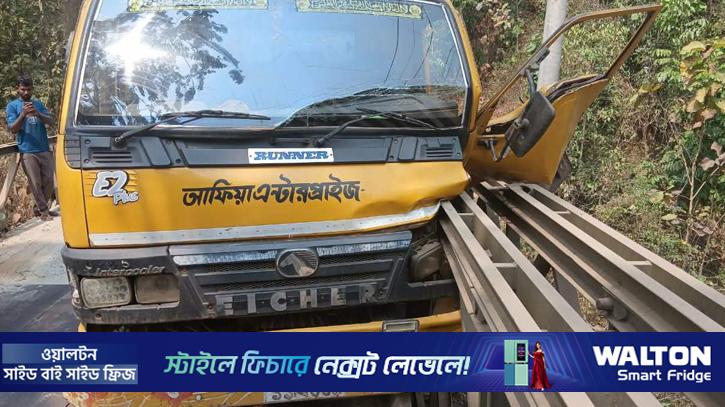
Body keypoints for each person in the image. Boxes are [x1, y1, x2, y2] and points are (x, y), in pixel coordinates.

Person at [6, 76, 56, 221]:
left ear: (32, 89)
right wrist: (23, 114)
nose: (26, 92)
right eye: (23, 89)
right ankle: (44, 212)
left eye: (28, 89)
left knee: (49, 182)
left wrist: (38, 113)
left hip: (44, 148)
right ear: (18, 89)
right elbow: (13, 129)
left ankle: (38, 209)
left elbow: (51, 121)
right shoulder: (12, 106)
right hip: (27, 150)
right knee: (35, 182)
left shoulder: (38, 104)